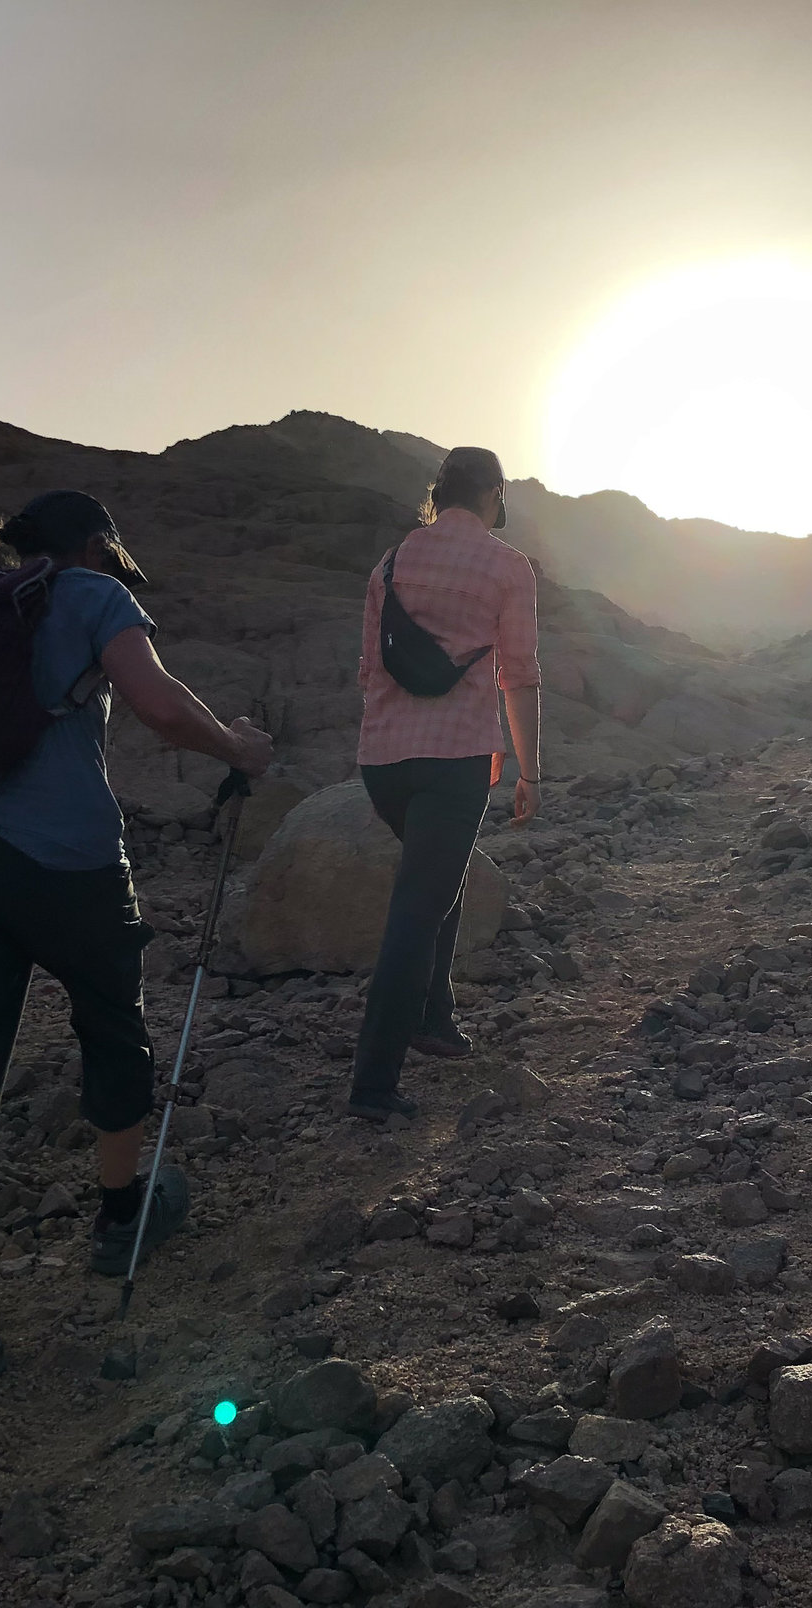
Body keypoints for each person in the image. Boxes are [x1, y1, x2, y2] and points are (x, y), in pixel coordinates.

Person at [0, 491, 274, 1410]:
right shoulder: (92, 592)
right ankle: (122, 1215)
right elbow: (159, 703)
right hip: (61, 859)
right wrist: (237, 749)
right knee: (110, 1022)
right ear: (96, 544)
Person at [345, 446, 543, 1122]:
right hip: (456, 759)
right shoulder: (507, 566)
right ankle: (373, 1084)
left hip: (384, 761)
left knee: (437, 875)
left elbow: (370, 669)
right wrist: (530, 769)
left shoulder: (392, 562)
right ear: (493, 495)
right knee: (417, 909)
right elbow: (519, 673)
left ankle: (434, 1017)